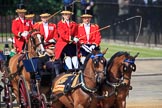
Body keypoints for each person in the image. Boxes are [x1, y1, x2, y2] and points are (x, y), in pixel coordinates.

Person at [54, 6, 79, 70]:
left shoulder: (74, 24)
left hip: (72, 43)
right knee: (68, 56)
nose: (67, 16)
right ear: (63, 15)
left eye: (68, 14)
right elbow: (62, 35)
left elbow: (76, 33)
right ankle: (70, 69)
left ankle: (76, 69)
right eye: (65, 14)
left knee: (74, 56)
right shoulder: (60, 24)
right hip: (63, 44)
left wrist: (76, 38)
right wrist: (72, 38)